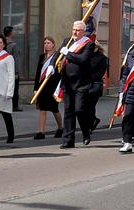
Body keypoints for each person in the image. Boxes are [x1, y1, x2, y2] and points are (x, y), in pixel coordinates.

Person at [59, 20, 95, 148]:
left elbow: (83, 59)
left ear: (83, 31)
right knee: (68, 111)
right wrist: (53, 66)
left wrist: (68, 53)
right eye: (73, 29)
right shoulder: (67, 41)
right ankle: (68, 140)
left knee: (79, 109)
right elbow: (59, 57)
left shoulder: (88, 44)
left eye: (78, 30)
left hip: (81, 83)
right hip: (68, 82)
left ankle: (86, 131)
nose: (75, 32)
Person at [32, 36, 64, 140]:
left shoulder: (58, 56)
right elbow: (38, 73)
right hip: (42, 86)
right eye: (45, 43)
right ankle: (41, 132)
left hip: (52, 86)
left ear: (53, 44)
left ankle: (61, 128)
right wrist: (35, 87)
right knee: (42, 108)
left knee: (54, 109)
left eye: (49, 43)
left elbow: (60, 73)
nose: (46, 45)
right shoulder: (42, 57)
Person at [88, 42, 108, 132]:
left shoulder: (102, 58)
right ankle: (93, 120)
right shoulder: (86, 55)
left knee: (90, 105)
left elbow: (100, 73)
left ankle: (90, 123)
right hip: (85, 84)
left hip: (95, 85)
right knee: (84, 106)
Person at [3, 26, 22, 111]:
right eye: (13, 31)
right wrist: (16, 73)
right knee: (14, 89)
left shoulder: (2, 44)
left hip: (3, 71)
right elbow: (16, 60)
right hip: (12, 71)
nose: (14, 33)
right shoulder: (14, 46)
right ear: (10, 33)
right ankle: (14, 106)